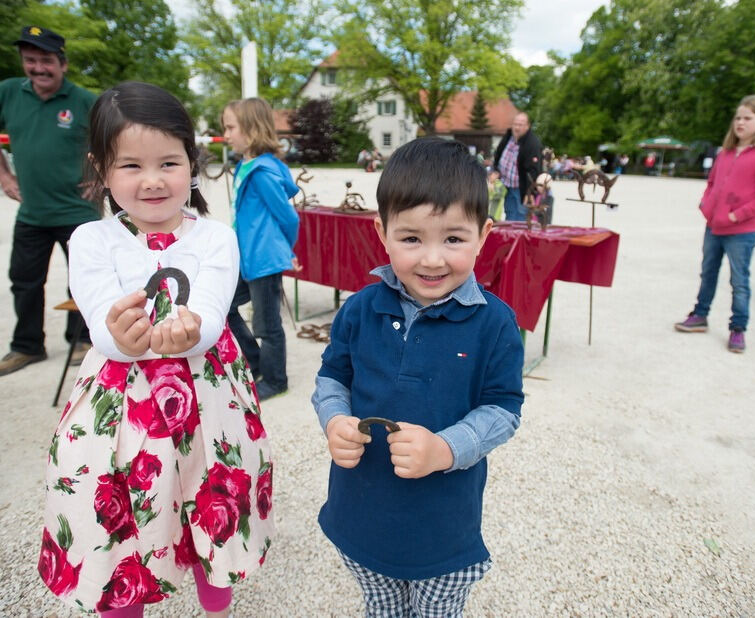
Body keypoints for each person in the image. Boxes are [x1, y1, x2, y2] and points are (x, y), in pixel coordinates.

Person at [38, 82, 274, 616]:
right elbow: (100, 323)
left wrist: (195, 333)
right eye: (130, 167)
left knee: (213, 492)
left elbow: (212, 314)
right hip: (121, 404)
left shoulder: (215, 237)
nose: (152, 181)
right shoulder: (91, 240)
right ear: (101, 168)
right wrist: (119, 337)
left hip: (209, 397)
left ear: (193, 163)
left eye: (169, 162)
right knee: (120, 513)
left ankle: (217, 603)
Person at [311, 137, 524, 617]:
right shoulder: (360, 308)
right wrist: (334, 420)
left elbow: (503, 410)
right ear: (381, 231)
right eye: (411, 238)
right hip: (359, 512)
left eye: (453, 238)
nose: (432, 259)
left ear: (484, 233)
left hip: (442, 525)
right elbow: (331, 379)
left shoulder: (495, 322)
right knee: (380, 604)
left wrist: (446, 449)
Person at [0, 26, 98, 376]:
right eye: (30, 60)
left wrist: (100, 178)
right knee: (24, 279)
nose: (38, 68)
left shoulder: (84, 101)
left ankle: (82, 339)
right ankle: (26, 346)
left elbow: (113, 138)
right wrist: (3, 174)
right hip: (32, 210)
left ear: (63, 63)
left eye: (46, 60)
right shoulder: (7, 93)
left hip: (78, 209)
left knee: (84, 277)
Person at [674, 95, 755, 353]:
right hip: (714, 226)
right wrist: (706, 204)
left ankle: (738, 327)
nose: (740, 123)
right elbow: (712, 182)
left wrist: (737, 215)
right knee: (707, 272)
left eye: (748, 118)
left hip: (741, 231)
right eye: (738, 117)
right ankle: (700, 314)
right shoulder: (726, 153)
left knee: (739, 280)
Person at [220, 98, 300, 399]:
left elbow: (288, 217)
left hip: (264, 259)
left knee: (267, 324)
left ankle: (276, 380)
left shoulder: (263, 173)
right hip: (246, 257)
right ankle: (252, 362)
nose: (226, 135)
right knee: (225, 307)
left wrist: (285, 250)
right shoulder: (246, 166)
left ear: (251, 129)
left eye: (230, 128)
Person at [492, 112, 542, 221]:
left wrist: (530, 192)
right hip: (506, 185)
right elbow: (498, 154)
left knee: (521, 217)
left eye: (521, 124)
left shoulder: (532, 143)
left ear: (527, 126)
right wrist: (496, 170)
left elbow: (534, 170)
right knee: (509, 214)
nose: (517, 127)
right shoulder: (508, 137)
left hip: (521, 189)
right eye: (515, 124)